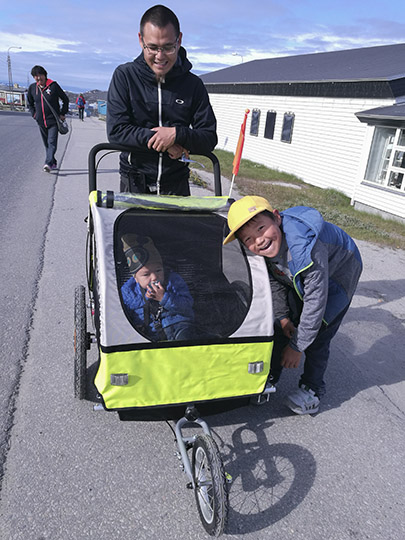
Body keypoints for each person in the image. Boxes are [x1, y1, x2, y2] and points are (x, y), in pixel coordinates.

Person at [223, 195, 363, 415]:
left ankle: (313, 390)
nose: (258, 240)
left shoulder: (307, 248)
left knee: (319, 333)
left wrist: (298, 346)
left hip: (337, 277)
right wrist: (283, 317)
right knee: (281, 325)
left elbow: (316, 301)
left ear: (277, 218)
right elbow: (275, 280)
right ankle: (269, 377)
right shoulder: (265, 249)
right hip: (299, 273)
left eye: (261, 228)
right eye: (248, 239)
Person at [106, 4, 217, 195]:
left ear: (179, 40)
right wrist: (165, 143)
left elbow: (209, 137)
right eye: (153, 48)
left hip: (177, 184)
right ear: (141, 41)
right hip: (134, 181)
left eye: (168, 47)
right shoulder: (124, 76)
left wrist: (176, 134)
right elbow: (117, 131)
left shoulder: (193, 85)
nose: (160, 56)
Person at [121, 234, 195, 341]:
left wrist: (164, 298)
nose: (154, 277)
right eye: (146, 275)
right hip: (150, 333)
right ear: (135, 278)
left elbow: (187, 306)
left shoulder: (173, 281)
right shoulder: (128, 291)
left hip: (179, 325)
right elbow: (123, 316)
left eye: (158, 271)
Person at [27, 65, 69, 172]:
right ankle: (52, 161)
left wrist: (63, 113)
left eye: (40, 75)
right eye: (35, 76)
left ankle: (48, 163)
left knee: (51, 143)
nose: (38, 78)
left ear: (45, 75)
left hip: (53, 121)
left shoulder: (53, 86)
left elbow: (65, 99)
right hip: (41, 121)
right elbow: (30, 103)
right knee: (46, 144)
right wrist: (34, 115)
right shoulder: (32, 88)